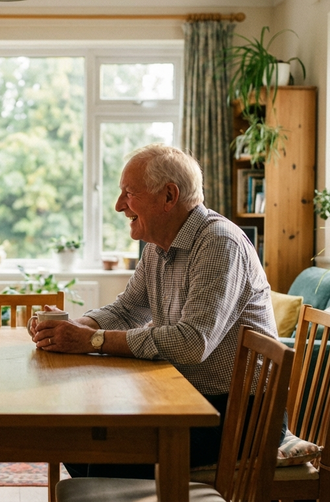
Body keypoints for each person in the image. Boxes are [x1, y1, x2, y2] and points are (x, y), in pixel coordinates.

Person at [29, 143, 280, 479]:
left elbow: (192, 343)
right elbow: (128, 308)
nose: (119, 206)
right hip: (188, 399)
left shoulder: (219, 243)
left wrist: (93, 340)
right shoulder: (157, 246)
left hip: (240, 415)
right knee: (79, 442)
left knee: (100, 455)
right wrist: (74, 326)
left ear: (169, 196)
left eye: (128, 193)